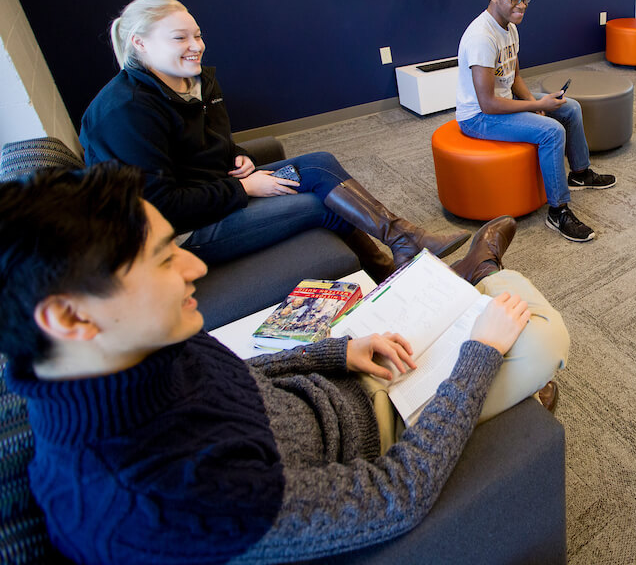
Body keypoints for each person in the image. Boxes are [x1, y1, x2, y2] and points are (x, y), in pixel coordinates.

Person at [0, 162, 569, 564]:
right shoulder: (163, 499)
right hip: (378, 433)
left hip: (344, 383)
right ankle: (483, 298)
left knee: (498, 300)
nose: (194, 270)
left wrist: (337, 351)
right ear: (71, 319)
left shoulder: (140, 343)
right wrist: (478, 356)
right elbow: (397, 495)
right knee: (537, 329)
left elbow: (243, 377)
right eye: (162, 259)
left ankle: (472, 290)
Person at [80, 0, 470, 282]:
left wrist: (237, 156)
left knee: (319, 162)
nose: (196, 46)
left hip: (220, 188)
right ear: (140, 44)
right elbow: (163, 208)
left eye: (197, 35)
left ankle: (403, 242)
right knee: (324, 205)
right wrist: (246, 188)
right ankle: (395, 267)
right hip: (184, 232)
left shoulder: (193, 82)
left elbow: (207, 142)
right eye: (180, 38)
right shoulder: (124, 114)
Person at [455, 0, 616, 243]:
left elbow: (513, 76)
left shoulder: (510, 28)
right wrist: (533, 106)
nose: (522, 5)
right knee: (551, 131)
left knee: (570, 107)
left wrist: (534, 102)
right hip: (478, 117)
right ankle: (558, 211)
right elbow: (488, 104)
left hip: (499, 105)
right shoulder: (482, 37)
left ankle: (580, 173)